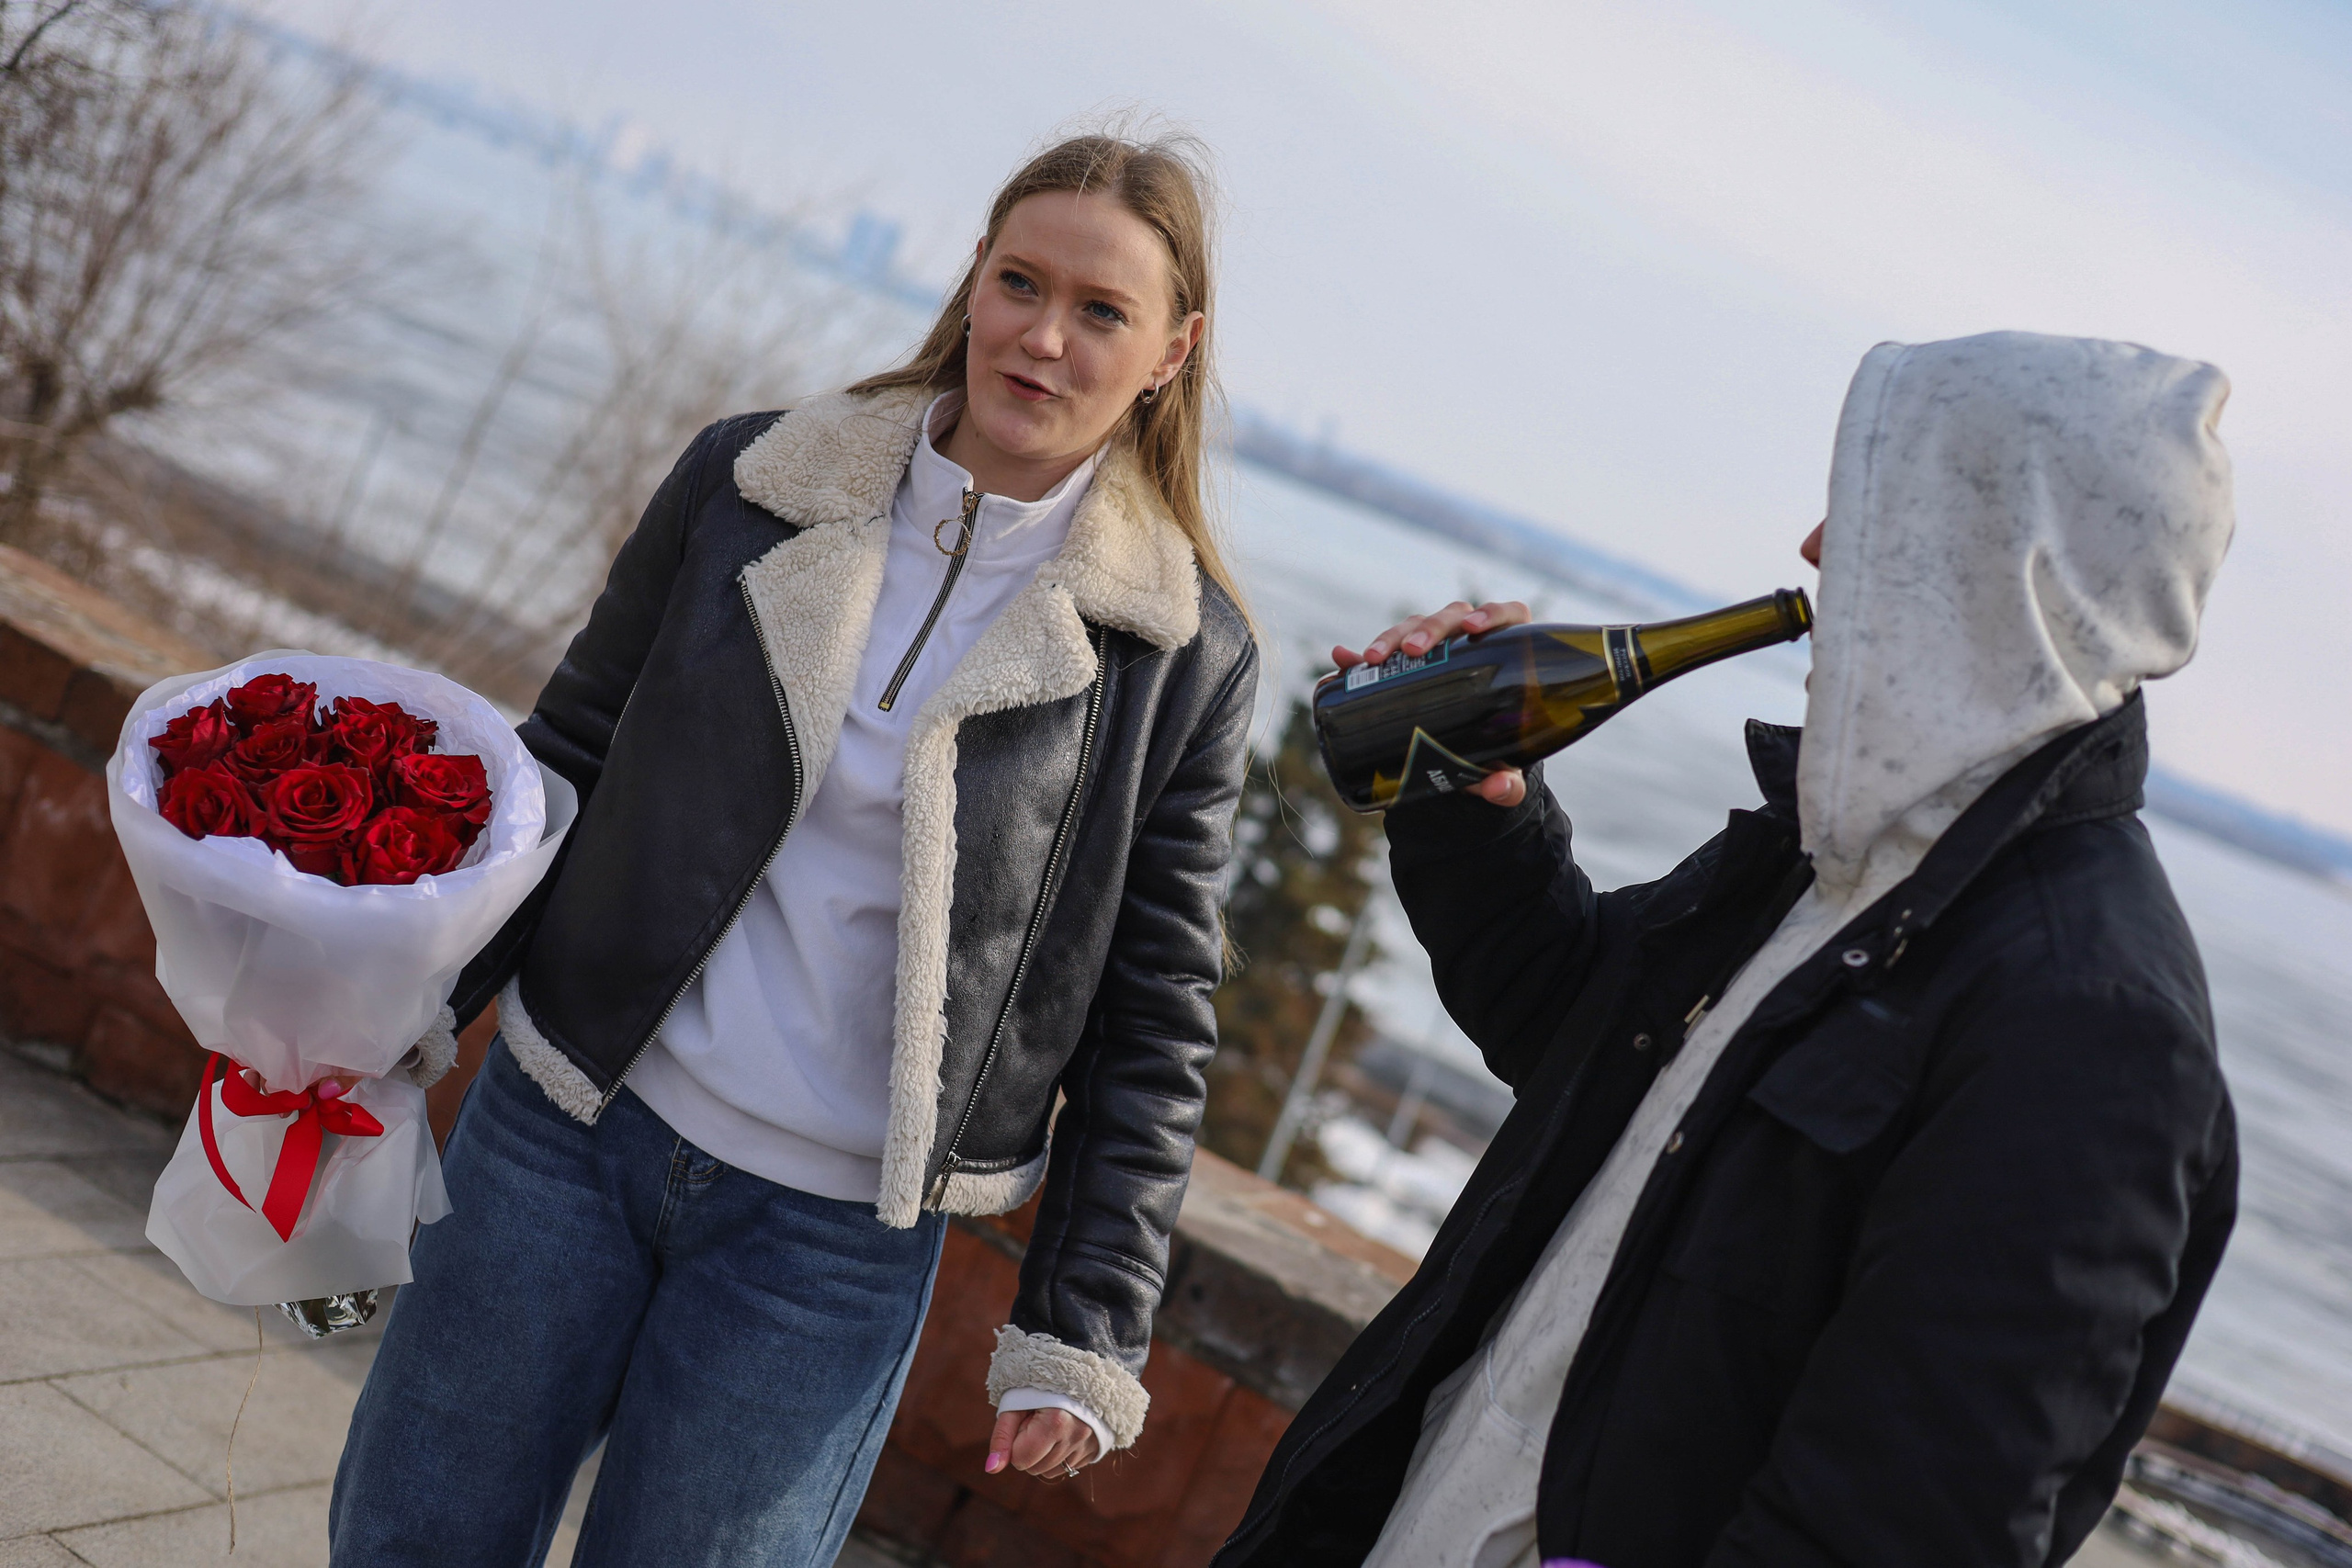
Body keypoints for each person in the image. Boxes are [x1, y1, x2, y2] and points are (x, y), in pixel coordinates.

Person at [329, 132, 1259, 1568]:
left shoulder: (1181, 659)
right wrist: (395, 997)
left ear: (1172, 353)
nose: (1044, 336)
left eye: (1102, 312)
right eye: (1021, 281)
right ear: (974, 279)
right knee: (409, 1544)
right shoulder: (753, 480)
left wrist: (1084, 1319)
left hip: (827, 1249)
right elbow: (564, 759)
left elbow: (1152, 1014)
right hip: (558, 1134)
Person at [1216, 331, 2239, 1568]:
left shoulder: (2091, 1030)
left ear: (2000, 568)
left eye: (1871, 507)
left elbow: (1903, 1532)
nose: (1813, 548)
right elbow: (1571, 1038)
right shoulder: (1832, 856)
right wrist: (1476, 814)